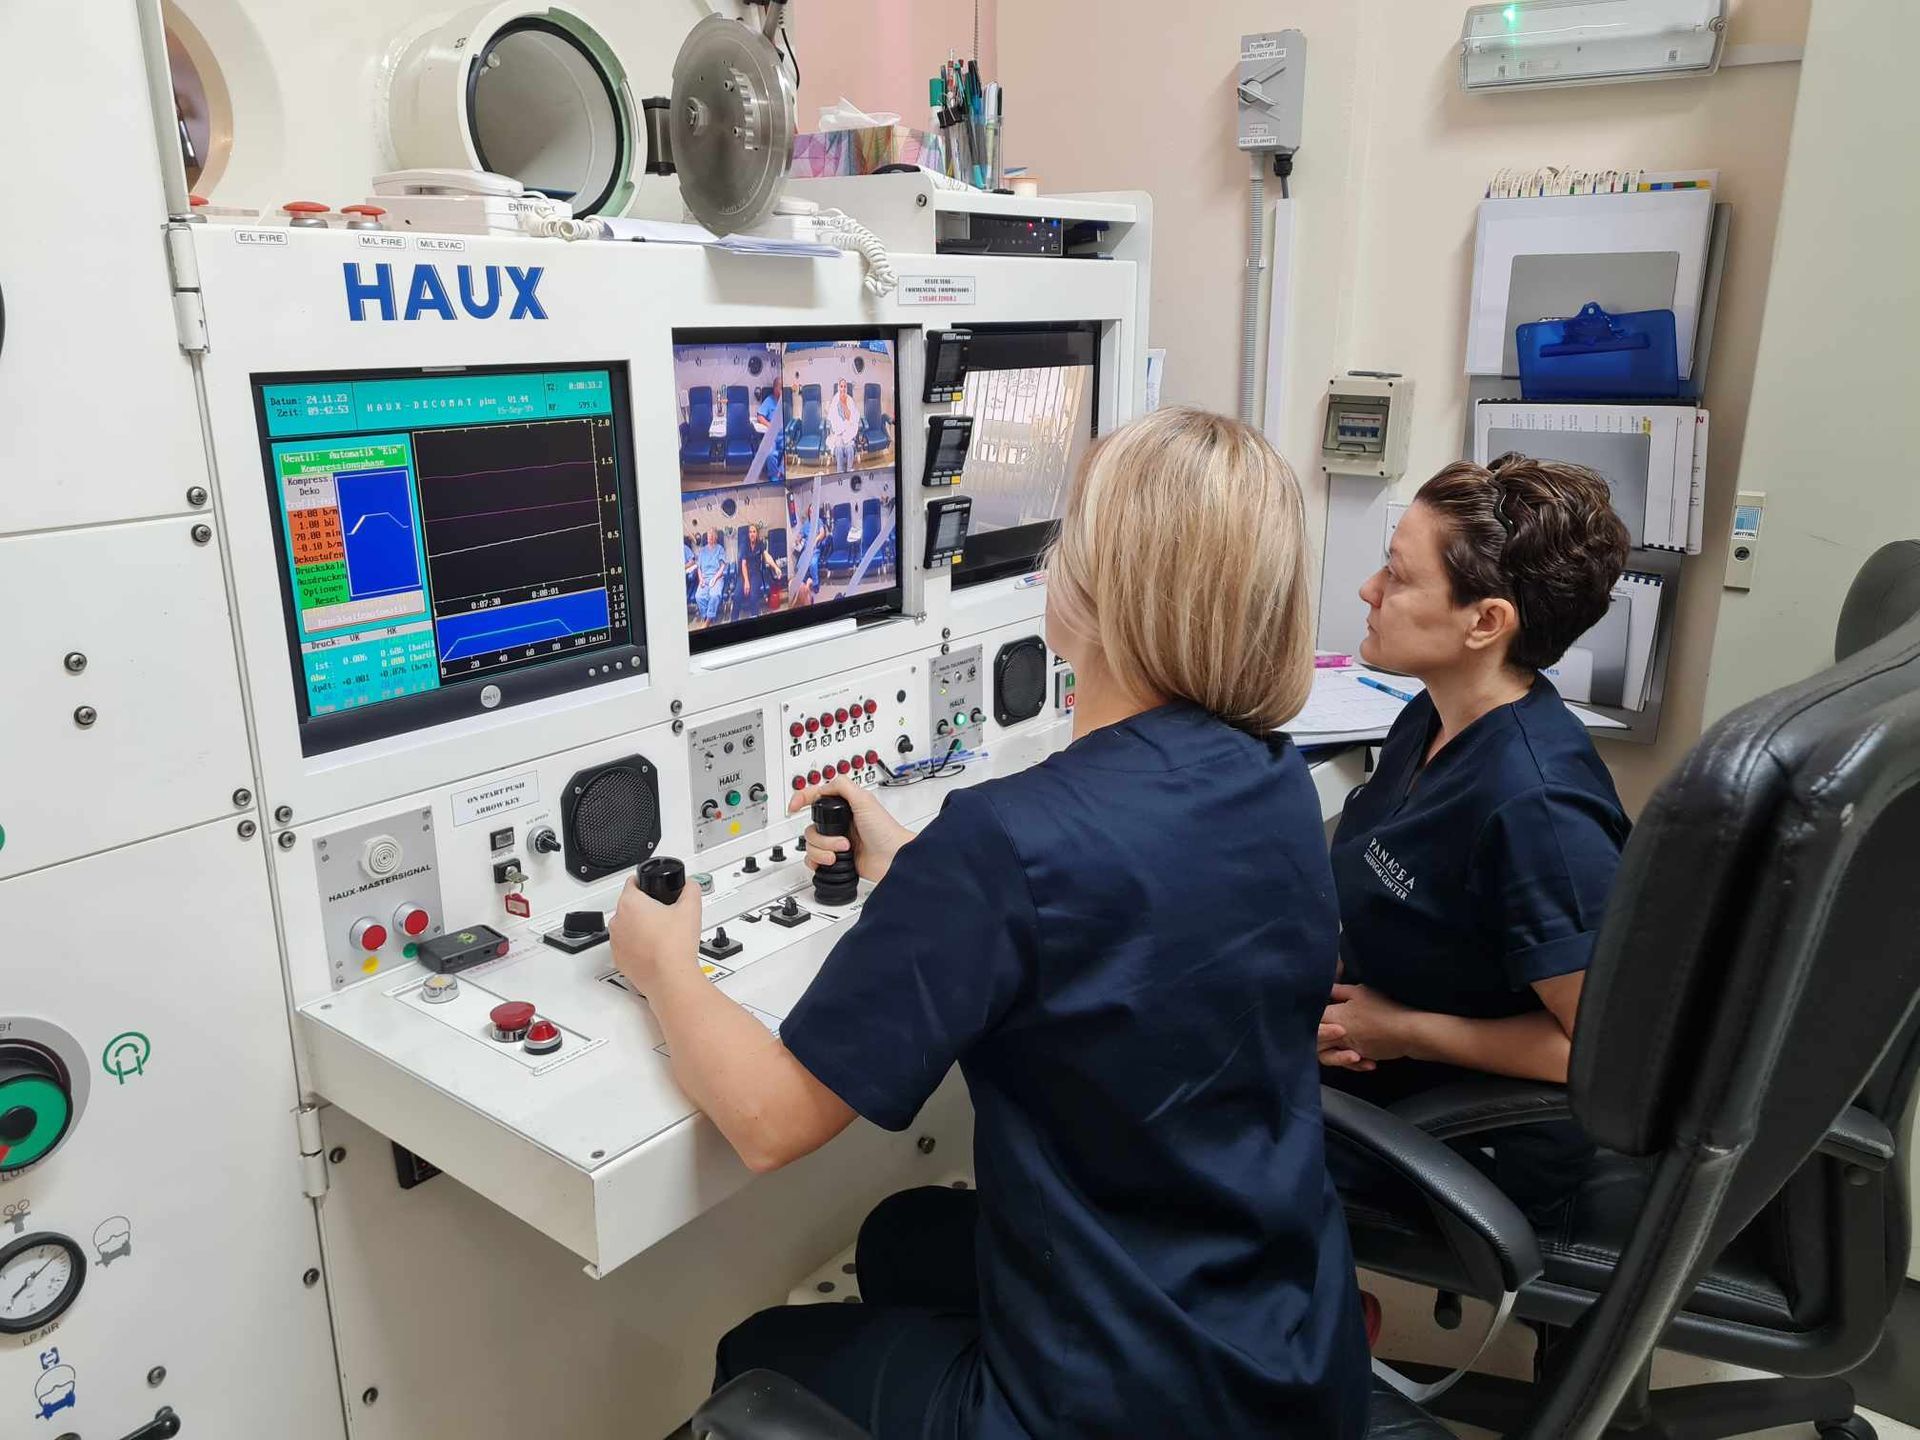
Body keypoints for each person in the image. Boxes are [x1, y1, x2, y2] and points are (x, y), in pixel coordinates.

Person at [610, 407, 1369, 1439]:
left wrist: (663, 970)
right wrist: (924, 879)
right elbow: (1122, 915)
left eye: (1068, 538)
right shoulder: (1277, 779)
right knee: (897, 1237)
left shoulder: (1005, 842)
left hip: (1115, 1403)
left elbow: (770, 1124)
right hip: (1280, 1337)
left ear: (1101, 596)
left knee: (761, 1355)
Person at [1320, 453, 1633, 1221]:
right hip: (1382, 1066)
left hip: (1473, 1134)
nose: (1370, 591)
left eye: (1397, 576)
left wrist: (1400, 1032)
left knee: (1171, 1142)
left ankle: (1310, 1325)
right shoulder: (1431, 715)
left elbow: (1604, 1053)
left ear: (1486, 622)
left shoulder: (1537, 807)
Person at [693, 528, 728, 625]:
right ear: (707, 537)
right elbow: (699, 568)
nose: (711, 537)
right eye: (709, 535)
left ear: (716, 537)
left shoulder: (719, 549)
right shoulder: (702, 551)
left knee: (714, 595)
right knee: (699, 596)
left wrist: (715, 578)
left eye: (713, 535)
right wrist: (701, 580)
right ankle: (707, 616)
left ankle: (707, 621)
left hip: (716, 577)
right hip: (704, 578)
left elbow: (723, 566)